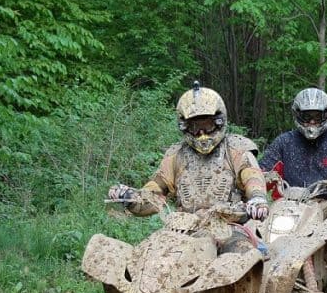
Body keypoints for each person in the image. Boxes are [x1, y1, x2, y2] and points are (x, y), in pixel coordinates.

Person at [108, 83, 270, 239]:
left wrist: (257, 198)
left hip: (232, 229)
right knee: (154, 259)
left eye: (207, 125)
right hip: (185, 231)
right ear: (185, 126)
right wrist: (131, 197)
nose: (201, 133)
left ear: (219, 121)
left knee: (241, 260)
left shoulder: (236, 148)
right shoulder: (175, 155)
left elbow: (252, 176)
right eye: (194, 127)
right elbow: (155, 192)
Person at [259, 87, 327, 218]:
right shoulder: (284, 142)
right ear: (297, 115)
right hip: (290, 204)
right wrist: (253, 184)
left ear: (326, 115)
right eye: (307, 116)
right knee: (266, 224)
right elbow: (262, 169)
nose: (312, 121)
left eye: (317, 117)